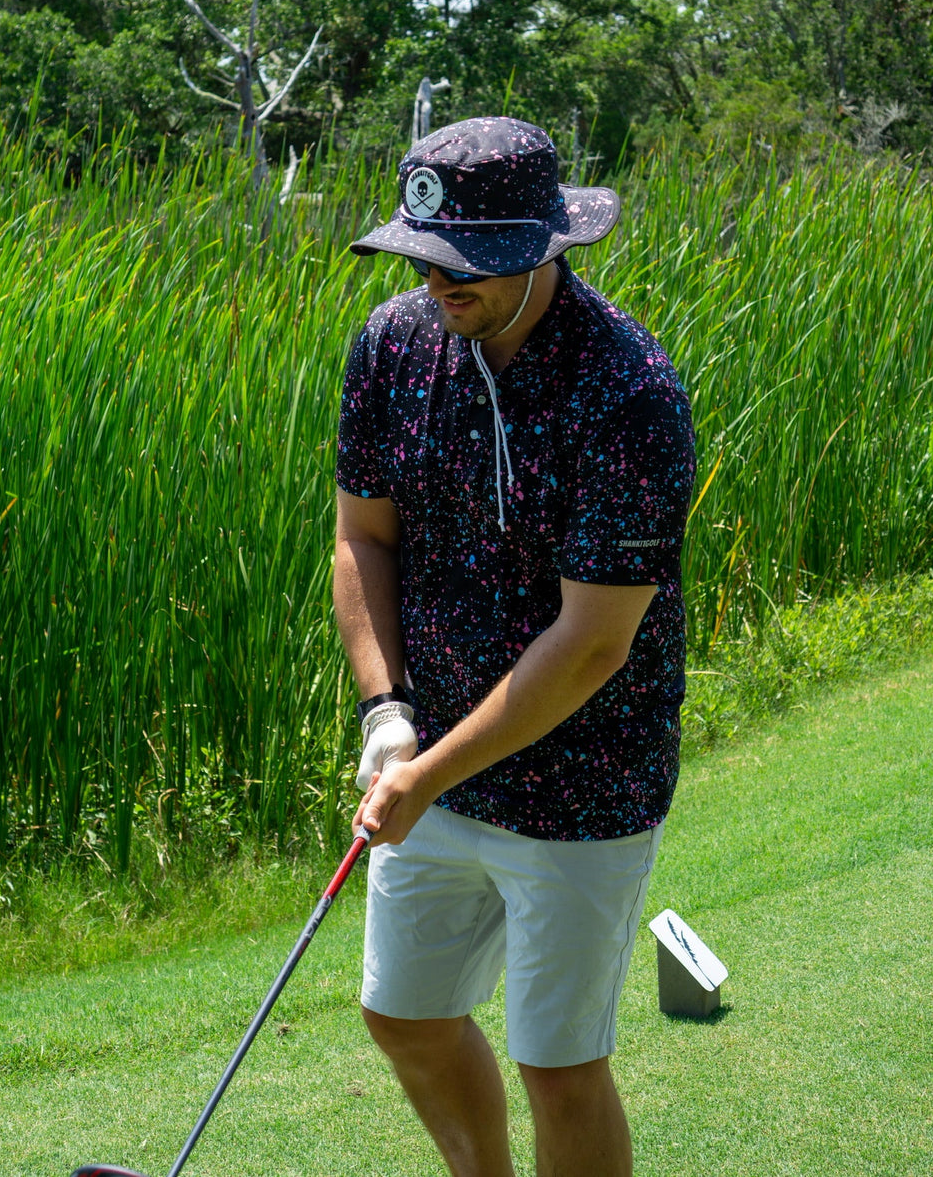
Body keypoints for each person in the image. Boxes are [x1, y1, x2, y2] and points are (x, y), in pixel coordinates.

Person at [333, 116, 695, 1177]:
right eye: (425, 256)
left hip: (585, 782)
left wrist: (425, 774)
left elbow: (592, 644)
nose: (442, 284)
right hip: (433, 758)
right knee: (404, 1017)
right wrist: (389, 715)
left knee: (559, 1064)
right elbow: (362, 534)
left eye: (470, 263)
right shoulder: (393, 345)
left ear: (545, 246)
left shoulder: (628, 391)